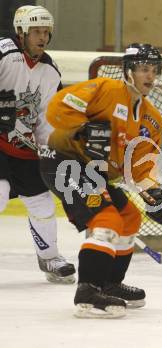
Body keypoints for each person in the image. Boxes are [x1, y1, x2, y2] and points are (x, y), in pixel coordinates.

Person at [39, 43, 162, 318]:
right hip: (63, 160)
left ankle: (109, 283)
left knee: (129, 217)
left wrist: (156, 193)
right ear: (127, 71)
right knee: (107, 218)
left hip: (94, 172)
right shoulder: (104, 89)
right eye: (143, 69)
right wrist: (82, 129)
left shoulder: (151, 118)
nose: (149, 76)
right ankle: (88, 291)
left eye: (153, 70)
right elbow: (57, 106)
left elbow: (141, 167)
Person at [0, 5, 76, 284]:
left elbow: (44, 117)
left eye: (46, 32)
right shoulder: (3, 53)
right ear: (21, 32)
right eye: (36, 32)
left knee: (42, 203)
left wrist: (48, 148)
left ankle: (50, 257)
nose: (42, 37)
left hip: (21, 146)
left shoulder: (49, 70)